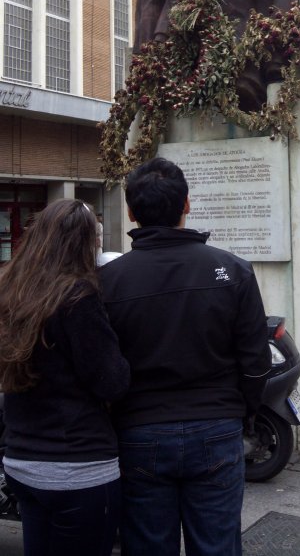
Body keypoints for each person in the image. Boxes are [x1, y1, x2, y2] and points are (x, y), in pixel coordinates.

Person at [99, 157, 271, 556]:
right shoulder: (233, 271)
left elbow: (102, 365)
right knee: (217, 546)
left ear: (130, 211)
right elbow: (256, 361)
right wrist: (239, 411)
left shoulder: (108, 281)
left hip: (139, 432)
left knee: (146, 546)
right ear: (187, 205)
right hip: (216, 426)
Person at [0, 199, 130, 556]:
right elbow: (111, 381)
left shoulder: (12, 290)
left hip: (22, 462)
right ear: (85, 243)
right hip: (76, 468)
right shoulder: (78, 297)